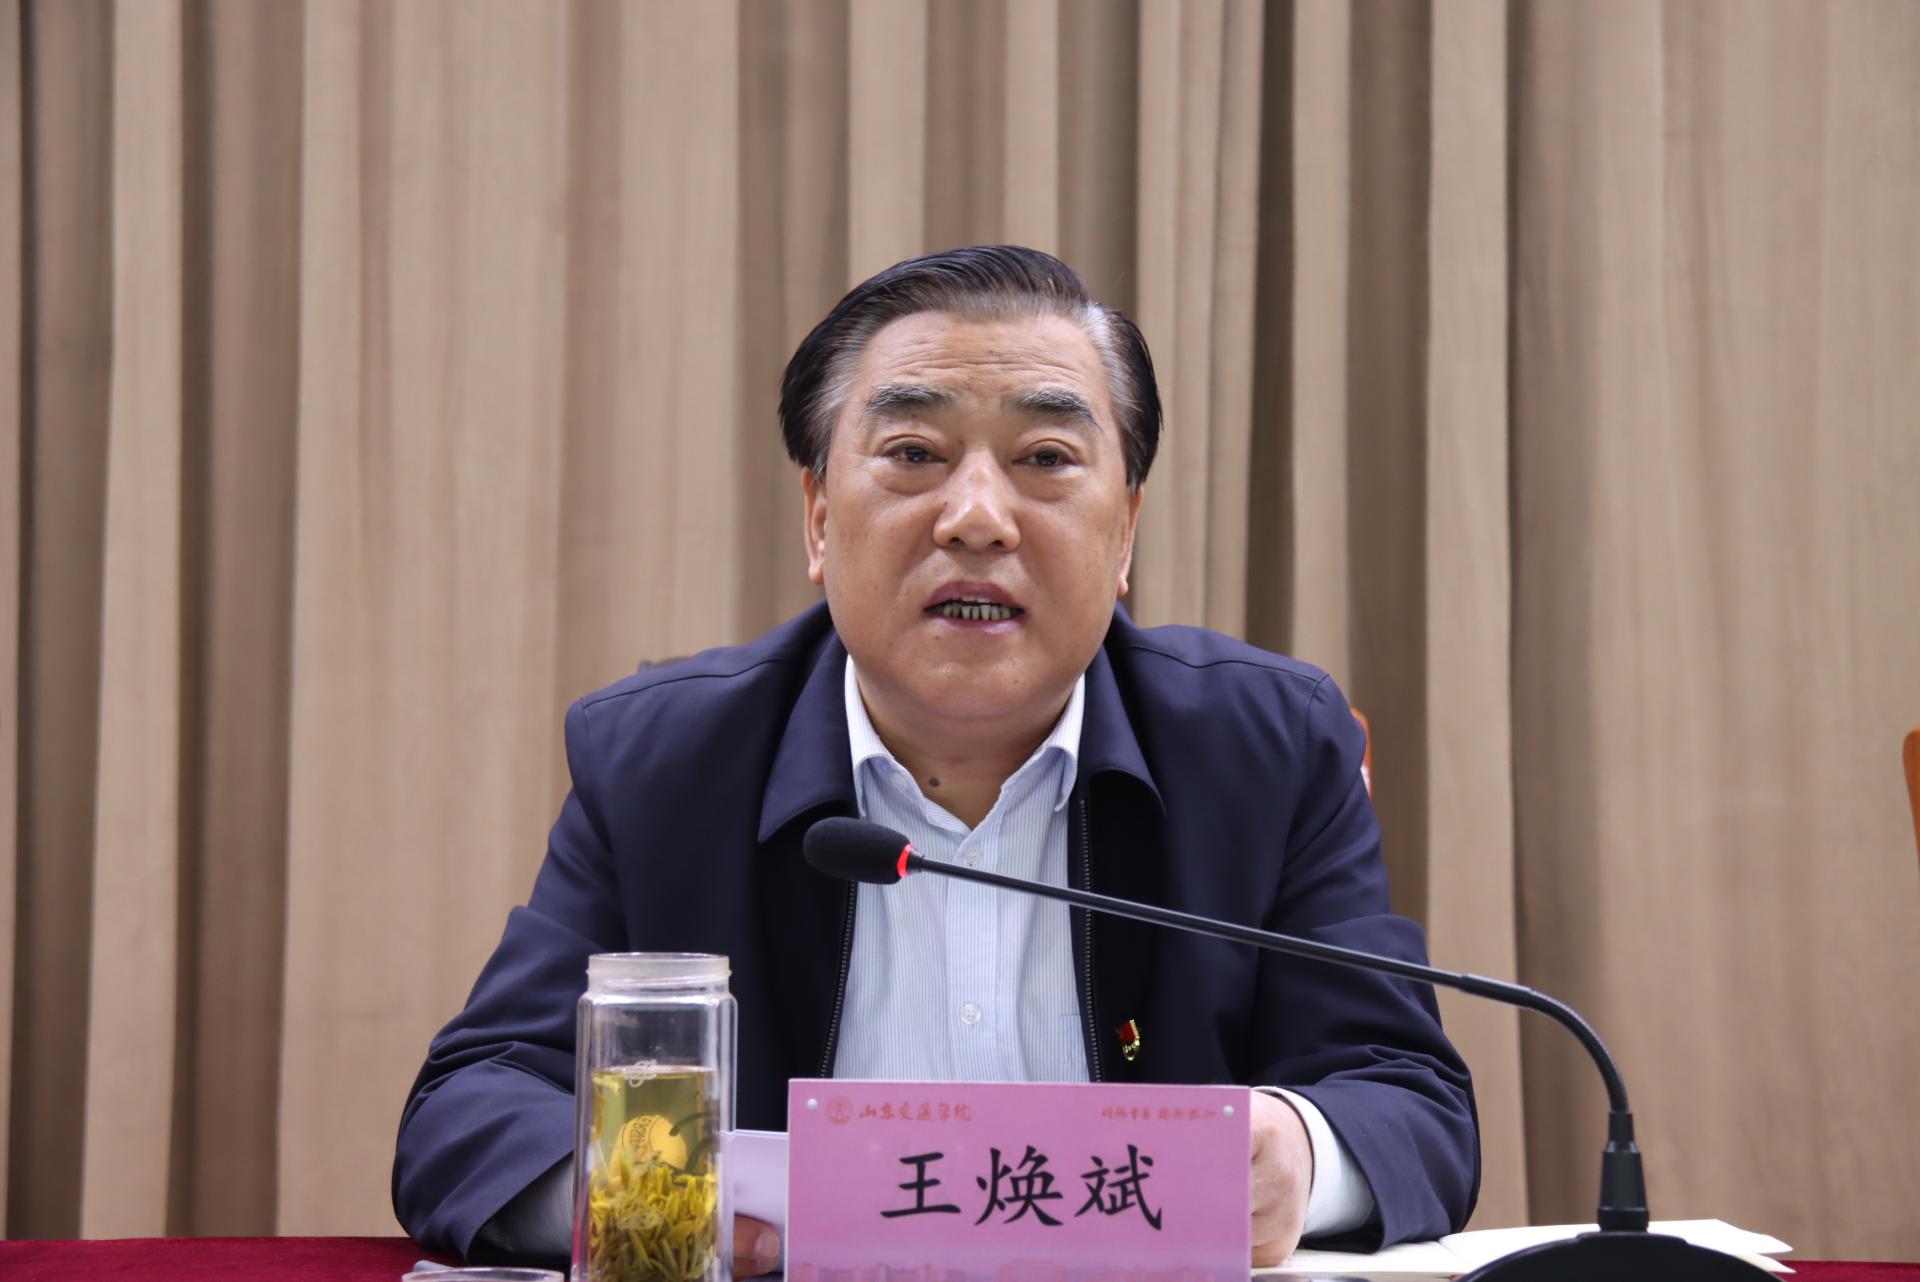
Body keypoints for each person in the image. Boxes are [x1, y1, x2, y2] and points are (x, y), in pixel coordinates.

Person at [393, 245, 1478, 1273]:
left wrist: (1298, 1154)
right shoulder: (665, 764)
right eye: (914, 455)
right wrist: (662, 1203)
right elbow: (472, 1111)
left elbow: (1407, 1100)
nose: (977, 519)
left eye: (1045, 459)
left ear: (1126, 531)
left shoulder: (1265, 750)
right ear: (820, 516)